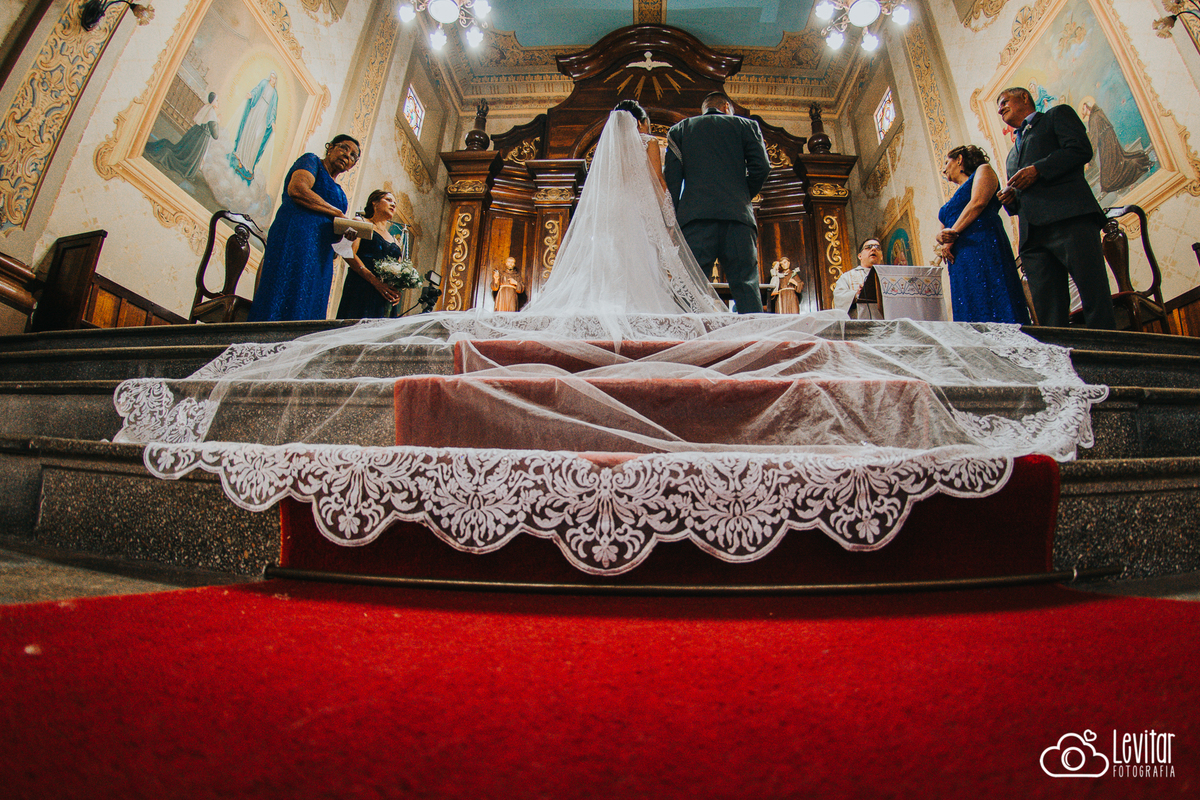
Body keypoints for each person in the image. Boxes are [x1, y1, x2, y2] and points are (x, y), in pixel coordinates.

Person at [522, 100, 726, 317]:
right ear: (639, 123)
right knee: (641, 262)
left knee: (609, 261)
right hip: (638, 214)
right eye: (647, 123)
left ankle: (606, 305)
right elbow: (658, 182)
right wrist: (669, 218)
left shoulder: (608, 149)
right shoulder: (649, 142)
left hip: (609, 216)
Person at [996, 87, 1115, 329]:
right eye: (999, 107)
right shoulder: (1011, 155)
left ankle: (1108, 350)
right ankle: (1060, 353)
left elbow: (1080, 149)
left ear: (1024, 97)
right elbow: (1019, 197)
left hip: (1069, 218)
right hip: (1032, 236)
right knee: (1048, 311)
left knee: (1093, 294)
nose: (1000, 109)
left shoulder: (1056, 116)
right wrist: (1010, 200)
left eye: (1004, 101)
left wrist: (1038, 169)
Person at [665, 92, 772, 314]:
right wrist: (742, 195)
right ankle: (754, 334)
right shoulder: (746, 126)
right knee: (746, 287)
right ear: (726, 107)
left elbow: (672, 181)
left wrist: (672, 221)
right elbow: (761, 167)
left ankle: (686, 336)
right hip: (738, 218)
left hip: (695, 220)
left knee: (689, 288)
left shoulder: (680, 130)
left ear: (705, 108)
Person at [248, 135, 360, 322]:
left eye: (353, 156)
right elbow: (297, 189)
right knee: (285, 289)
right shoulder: (311, 161)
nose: (347, 155)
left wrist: (347, 238)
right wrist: (337, 213)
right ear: (330, 147)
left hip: (321, 258)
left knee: (311, 302)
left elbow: (337, 252)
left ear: (351, 166)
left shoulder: (341, 196)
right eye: (343, 148)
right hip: (295, 236)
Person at [935, 145, 1030, 324]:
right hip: (959, 260)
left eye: (947, 162)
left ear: (959, 159)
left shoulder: (983, 170)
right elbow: (941, 232)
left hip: (982, 245)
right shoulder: (949, 203)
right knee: (969, 302)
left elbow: (978, 202)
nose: (944, 169)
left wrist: (952, 235)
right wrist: (940, 238)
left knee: (993, 293)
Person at [337, 190, 404, 319]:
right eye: (388, 200)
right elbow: (347, 251)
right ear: (374, 203)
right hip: (362, 287)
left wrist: (397, 291)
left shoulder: (395, 240)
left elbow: (399, 270)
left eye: (395, 203)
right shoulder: (360, 222)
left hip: (385, 295)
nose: (393, 204)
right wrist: (375, 281)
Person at [144, 92, 219, 180]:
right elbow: (215, 135)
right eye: (217, 100)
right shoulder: (212, 114)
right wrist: (218, 122)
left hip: (195, 132)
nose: (218, 103)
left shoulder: (207, 108)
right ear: (214, 101)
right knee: (189, 157)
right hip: (200, 139)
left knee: (182, 151)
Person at [230, 72, 278, 184]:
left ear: (276, 80)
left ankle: (249, 164)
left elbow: (273, 109)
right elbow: (257, 90)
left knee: (257, 138)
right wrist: (251, 94)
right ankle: (240, 154)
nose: (272, 80)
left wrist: (272, 122)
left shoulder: (275, 94)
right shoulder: (264, 83)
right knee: (248, 131)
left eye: (274, 78)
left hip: (264, 115)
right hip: (256, 109)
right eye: (271, 77)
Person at [832, 238, 883, 319]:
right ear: (860, 256)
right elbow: (839, 297)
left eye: (877, 247)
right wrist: (856, 295)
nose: (874, 249)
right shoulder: (847, 276)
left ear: (881, 256)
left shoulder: (887, 276)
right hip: (860, 324)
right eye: (868, 247)